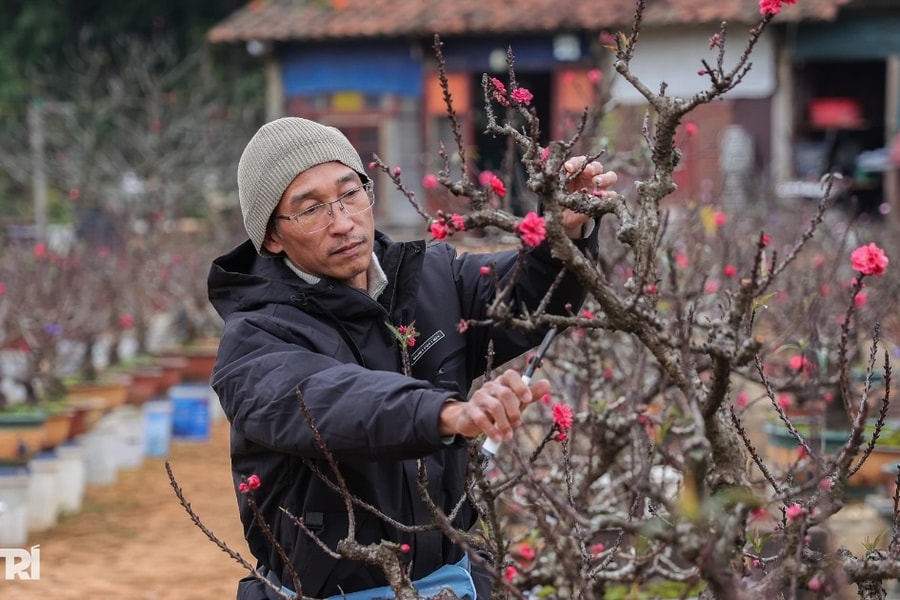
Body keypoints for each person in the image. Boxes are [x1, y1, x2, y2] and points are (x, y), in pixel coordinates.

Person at [207, 117, 616, 599]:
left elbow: (528, 295)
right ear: (272, 236)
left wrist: (566, 231)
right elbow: (331, 401)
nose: (343, 222)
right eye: (311, 209)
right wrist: (447, 413)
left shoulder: (431, 278)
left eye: (350, 193)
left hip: (452, 582)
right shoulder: (254, 338)